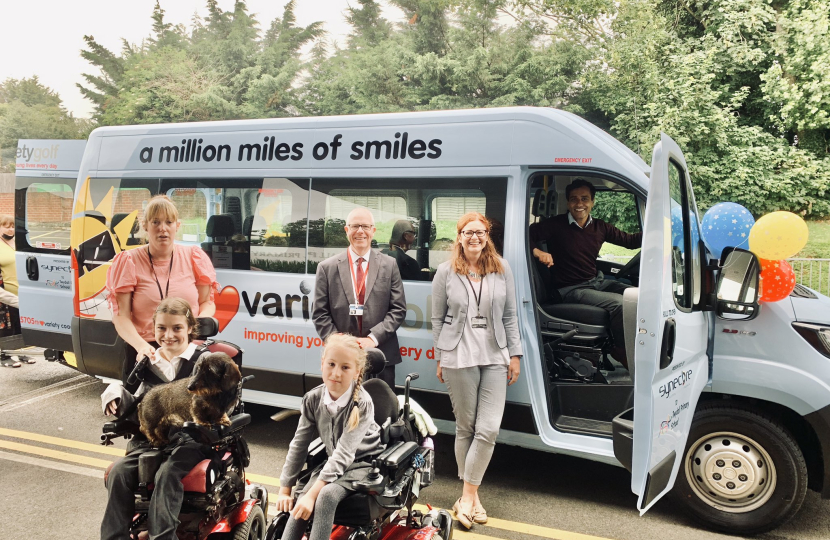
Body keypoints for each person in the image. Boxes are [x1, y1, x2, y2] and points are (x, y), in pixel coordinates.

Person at [431, 212, 522, 529]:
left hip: (496, 355)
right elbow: (437, 319)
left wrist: (515, 354)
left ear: (487, 235)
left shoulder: (502, 268)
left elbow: (510, 316)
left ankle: (466, 496)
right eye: (468, 232)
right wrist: (440, 356)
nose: (475, 237)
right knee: (466, 428)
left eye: (481, 232)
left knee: (489, 429)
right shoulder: (445, 272)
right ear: (459, 237)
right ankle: (473, 497)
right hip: (458, 356)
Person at [100, 298, 213, 540]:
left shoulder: (202, 362)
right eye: (161, 328)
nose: (168, 335)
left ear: (190, 328)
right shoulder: (147, 362)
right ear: (153, 328)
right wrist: (116, 395)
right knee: (119, 472)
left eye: (177, 328)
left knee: (167, 474)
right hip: (151, 441)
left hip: (190, 442)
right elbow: (136, 405)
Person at [275, 333, 383, 540]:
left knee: (325, 496)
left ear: (356, 371)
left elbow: (344, 454)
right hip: (334, 462)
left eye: (345, 367)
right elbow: (299, 445)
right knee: (302, 496)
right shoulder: (313, 399)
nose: (336, 373)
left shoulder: (362, 403)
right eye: (331, 364)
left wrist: (312, 495)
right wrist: (284, 489)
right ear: (322, 363)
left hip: (363, 465)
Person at [106, 195, 218, 391]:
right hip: (145, 353)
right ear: (145, 226)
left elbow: (207, 303)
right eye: (155, 222)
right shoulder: (128, 261)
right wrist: (141, 346)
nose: (162, 228)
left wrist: (193, 331)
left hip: (187, 350)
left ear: (177, 225)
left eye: (168, 222)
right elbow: (121, 316)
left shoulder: (194, 256)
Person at [529, 178, 642, 367]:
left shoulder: (600, 227)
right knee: (620, 304)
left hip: (595, 282)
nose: (579, 204)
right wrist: (538, 252)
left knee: (636, 295)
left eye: (584, 199)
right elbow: (525, 234)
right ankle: (622, 350)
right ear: (568, 202)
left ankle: (641, 345)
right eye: (574, 199)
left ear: (592, 202)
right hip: (570, 289)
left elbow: (630, 242)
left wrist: (659, 231)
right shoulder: (555, 225)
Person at [312, 207, 406, 389]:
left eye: (365, 226)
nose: (360, 231)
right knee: (343, 411)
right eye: (355, 226)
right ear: (346, 230)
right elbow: (319, 313)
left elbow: (398, 309)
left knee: (380, 413)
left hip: (381, 353)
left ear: (373, 230)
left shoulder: (389, 264)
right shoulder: (327, 268)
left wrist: (372, 339)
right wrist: (340, 343)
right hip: (342, 359)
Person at [0, 214, 34, 367]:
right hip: (5, 295)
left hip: (22, 291)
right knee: (7, 327)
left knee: (21, 324)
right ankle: (5, 355)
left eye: (12, 225)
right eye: (6, 225)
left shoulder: (17, 242)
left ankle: (21, 352)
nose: (10, 229)